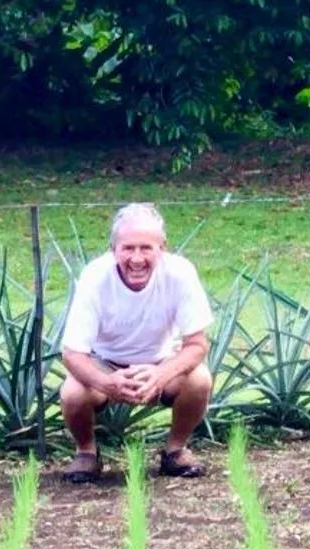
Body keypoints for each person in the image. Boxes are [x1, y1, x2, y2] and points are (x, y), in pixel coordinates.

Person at [56, 202, 213, 481]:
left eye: (146, 248)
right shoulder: (95, 276)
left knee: (199, 380)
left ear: (162, 248)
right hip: (105, 362)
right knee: (73, 392)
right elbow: (72, 354)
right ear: (113, 249)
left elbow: (197, 344)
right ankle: (86, 453)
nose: (137, 259)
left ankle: (176, 450)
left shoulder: (180, 272)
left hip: (161, 360)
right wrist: (108, 383)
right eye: (128, 248)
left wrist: (161, 374)